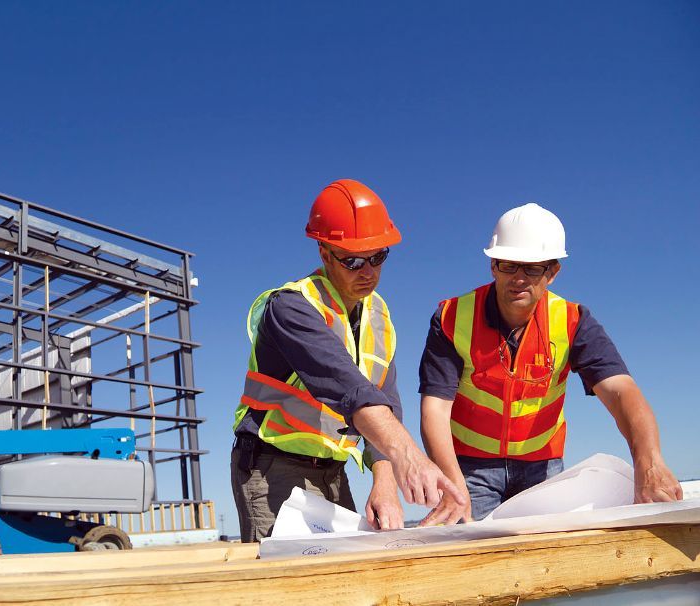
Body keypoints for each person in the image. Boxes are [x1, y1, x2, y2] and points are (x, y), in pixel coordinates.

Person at [418, 203, 682, 525]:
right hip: (468, 467)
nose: (518, 279)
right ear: (492, 266)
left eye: (531, 268)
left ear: (552, 273)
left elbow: (620, 392)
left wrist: (649, 462)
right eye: (508, 265)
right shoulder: (451, 318)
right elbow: (435, 409)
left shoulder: (573, 321)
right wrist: (451, 482)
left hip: (541, 467)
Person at [231, 179, 463, 542]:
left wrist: (384, 479)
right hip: (272, 465)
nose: (367, 271)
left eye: (377, 257)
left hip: (333, 471)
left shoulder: (378, 315)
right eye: (353, 260)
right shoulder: (292, 307)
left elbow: (385, 401)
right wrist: (409, 457)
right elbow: (351, 390)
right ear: (325, 253)